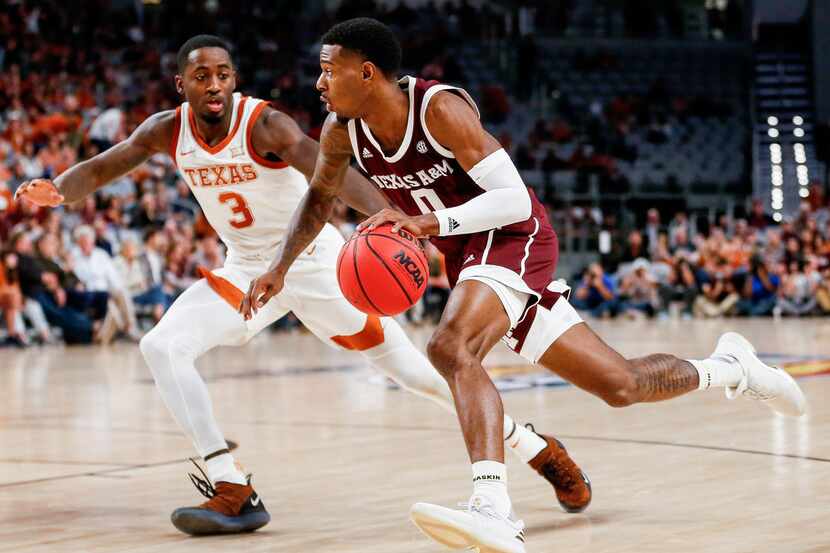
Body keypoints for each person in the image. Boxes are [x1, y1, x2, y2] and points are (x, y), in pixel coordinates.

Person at [241, 18, 807, 553]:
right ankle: (732, 368)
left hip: (515, 236)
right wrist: (279, 267)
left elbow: (512, 199)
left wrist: (427, 223)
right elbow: (318, 199)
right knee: (621, 385)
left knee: (449, 346)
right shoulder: (342, 131)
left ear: (366, 72)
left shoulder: (439, 109)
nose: (317, 82)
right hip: (467, 254)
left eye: (327, 69)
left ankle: (492, 507)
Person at [15, 34, 580, 538]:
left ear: (234, 80)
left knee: (419, 376)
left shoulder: (266, 124)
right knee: (161, 345)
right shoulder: (168, 129)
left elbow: (330, 180)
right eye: (202, 76)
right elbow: (111, 162)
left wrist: (397, 223)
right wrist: (59, 190)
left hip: (319, 267)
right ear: (181, 83)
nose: (214, 85)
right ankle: (231, 485)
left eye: (224, 75)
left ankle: (535, 449)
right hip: (247, 270)